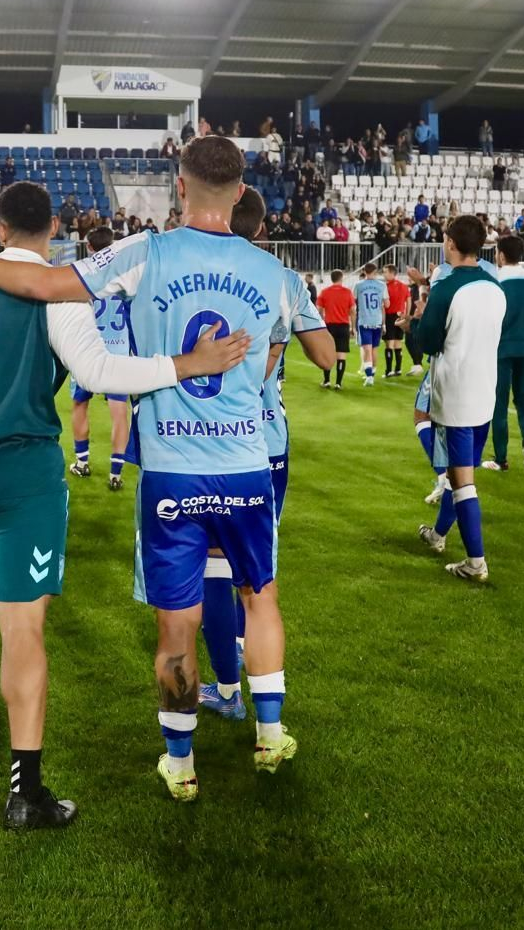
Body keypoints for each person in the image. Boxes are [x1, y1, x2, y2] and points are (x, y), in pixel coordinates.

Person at [0, 135, 301, 803]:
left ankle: (181, 763)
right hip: (247, 464)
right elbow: (311, 350)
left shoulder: (147, 251)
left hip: (171, 469)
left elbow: (46, 283)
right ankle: (271, 733)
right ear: (242, 193)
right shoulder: (275, 272)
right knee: (261, 598)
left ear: (180, 186)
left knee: (176, 625)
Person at [0, 178, 247, 830]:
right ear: (53, 229)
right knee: (23, 626)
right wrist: (188, 364)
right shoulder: (58, 294)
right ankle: (25, 791)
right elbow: (100, 373)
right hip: (25, 477)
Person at [197, 187, 334, 722]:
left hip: (205, 438)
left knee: (212, 566)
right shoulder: (282, 279)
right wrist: (288, 326)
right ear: (260, 228)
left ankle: (228, 688)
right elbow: (326, 357)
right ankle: (264, 711)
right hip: (267, 441)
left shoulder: (196, 271)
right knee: (255, 573)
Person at [414, 215, 506, 583]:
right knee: (458, 475)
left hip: (455, 396)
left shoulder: (447, 287)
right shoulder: (494, 286)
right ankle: (438, 535)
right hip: (486, 391)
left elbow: (428, 342)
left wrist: (415, 322)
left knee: (462, 480)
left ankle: (475, 562)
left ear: (451, 243)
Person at [68, 228, 134, 490]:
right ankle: (115, 474)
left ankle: (82, 462)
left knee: (79, 405)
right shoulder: (126, 276)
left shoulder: (82, 276)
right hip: (119, 355)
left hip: (88, 352)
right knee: (119, 414)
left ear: (89, 247)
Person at [483, 235, 524, 472]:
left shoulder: (494, 280)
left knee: (499, 402)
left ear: (500, 255)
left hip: (501, 348)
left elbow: (486, 317)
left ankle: (501, 459)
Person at [316, 269, 353, 388]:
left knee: (328, 354)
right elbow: (352, 310)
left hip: (329, 326)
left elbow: (318, 309)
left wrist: (321, 322)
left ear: (331, 278)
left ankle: (327, 381)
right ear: (341, 278)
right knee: (341, 355)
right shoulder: (347, 292)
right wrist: (353, 327)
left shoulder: (325, 292)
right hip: (343, 326)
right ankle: (338, 383)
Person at [351, 263, 385, 386]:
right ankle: (372, 374)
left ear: (364, 271)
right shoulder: (382, 285)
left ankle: (369, 376)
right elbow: (386, 304)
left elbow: (352, 301)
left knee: (367, 349)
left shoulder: (358, 285)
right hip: (377, 321)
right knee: (374, 348)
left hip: (364, 320)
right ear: (375, 272)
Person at [382, 264, 411, 377]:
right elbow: (408, 300)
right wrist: (407, 315)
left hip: (390, 316)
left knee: (389, 343)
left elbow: (384, 304)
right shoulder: (404, 286)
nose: (384, 274)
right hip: (401, 315)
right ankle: (398, 369)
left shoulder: (385, 287)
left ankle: (389, 370)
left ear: (391, 273)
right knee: (398, 342)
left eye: (385, 272)